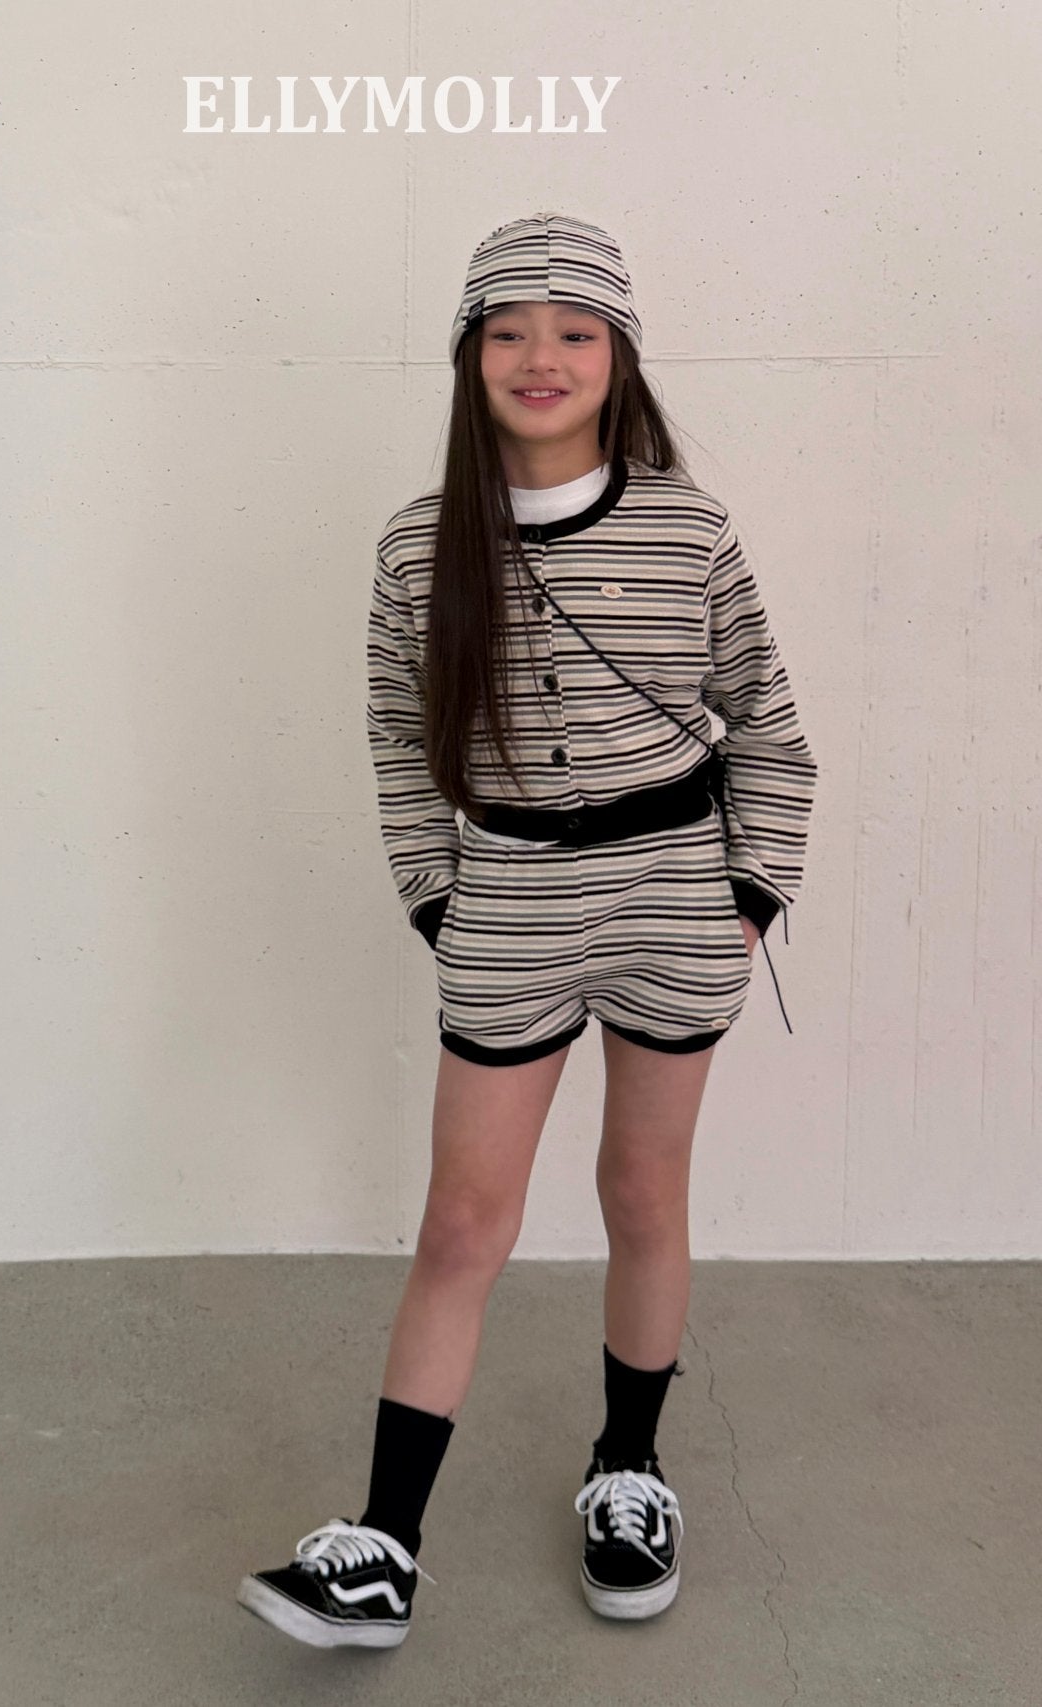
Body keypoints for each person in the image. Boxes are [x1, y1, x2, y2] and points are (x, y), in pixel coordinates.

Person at [237, 210, 817, 1649]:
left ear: (620, 358)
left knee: (643, 1191)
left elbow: (768, 722)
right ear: (469, 358)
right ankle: (382, 1546)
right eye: (507, 331)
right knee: (461, 1220)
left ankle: (630, 1473)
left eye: (574, 331)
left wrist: (751, 892)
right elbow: (397, 733)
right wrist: (435, 892)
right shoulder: (420, 544)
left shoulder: (688, 527)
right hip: (507, 898)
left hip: (676, 893)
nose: (539, 356)